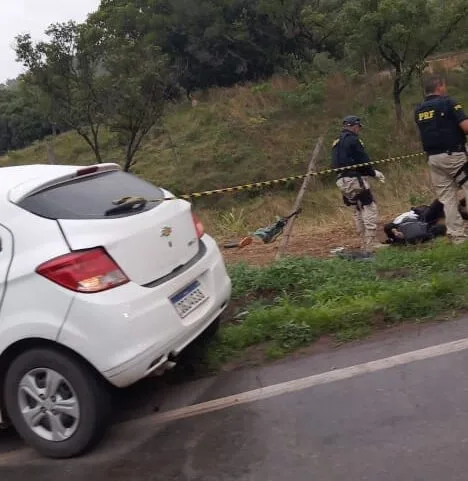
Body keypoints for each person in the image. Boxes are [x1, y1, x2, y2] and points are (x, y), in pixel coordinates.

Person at [414, 74, 468, 244]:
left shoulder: (420, 110)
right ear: (439, 87)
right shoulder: (448, 102)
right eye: (444, 86)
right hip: (454, 156)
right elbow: (465, 127)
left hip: (434, 159)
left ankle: (457, 237)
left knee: (448, 199)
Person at [332, 115, 386, 252]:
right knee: (369, 207)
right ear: (354, 126)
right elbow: (363, 161)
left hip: (341, 180)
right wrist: (373, 173)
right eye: (358, 127)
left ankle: (364, 241)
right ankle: (371, 242)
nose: (358, 130)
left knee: (357, 209)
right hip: (355, 178)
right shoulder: (353, 140)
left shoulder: (336, 142)